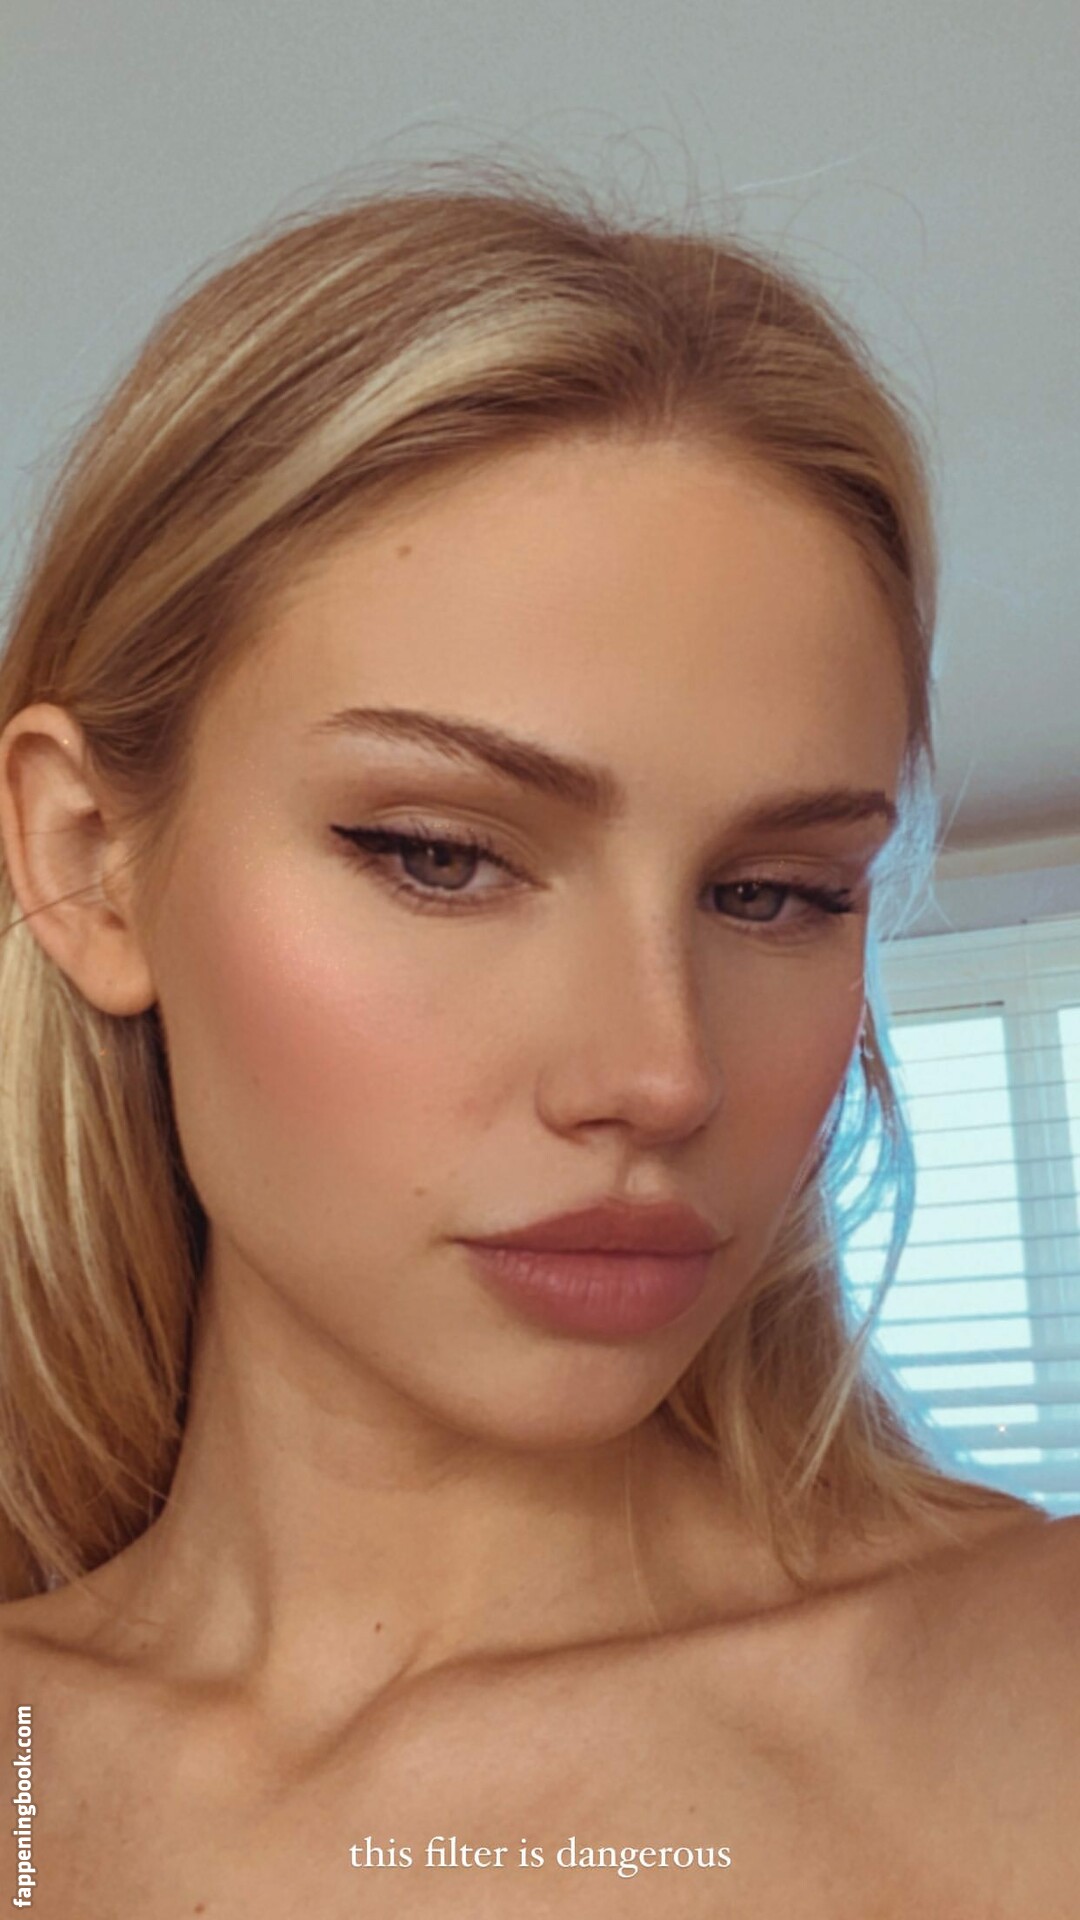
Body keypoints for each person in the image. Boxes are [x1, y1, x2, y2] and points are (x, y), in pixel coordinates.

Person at [0, 156, 1074, 1918]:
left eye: (777, 892)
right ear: (88, 863)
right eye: (440, 854)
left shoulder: (1036, 1696)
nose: (661, 1075)